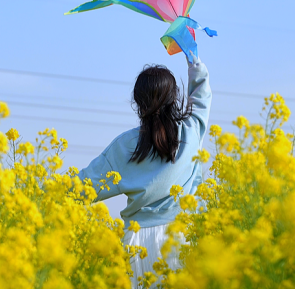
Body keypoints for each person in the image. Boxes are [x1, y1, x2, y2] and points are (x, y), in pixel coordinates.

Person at [77, 51, 211, 287]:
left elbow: (83, 187)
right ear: (174, 97)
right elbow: (201, 98)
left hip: (138, 245)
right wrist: (194, 60)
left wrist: (34, 193)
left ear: (138, 102)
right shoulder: (190, 132)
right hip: (182, 237)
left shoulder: (125, 145)